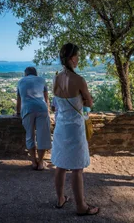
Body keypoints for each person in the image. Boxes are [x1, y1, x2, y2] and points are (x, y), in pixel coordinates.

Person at [51, 43, 99, 216]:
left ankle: (60, 199)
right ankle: (81, 206)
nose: (78, 59)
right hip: (75, 128)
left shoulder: (56, 78)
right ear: (72, 58)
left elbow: (55, 103)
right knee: (77, 168)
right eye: (77, 56)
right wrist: (87, 100)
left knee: (60, 165)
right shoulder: (79, 80)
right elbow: (89, 103)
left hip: (61, 127)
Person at [16, 67, 51, 171]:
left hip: (27, 109)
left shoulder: (20, 81)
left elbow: (19, 99)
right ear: (35, 74)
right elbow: (46, 98)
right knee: (42, 136)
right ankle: (40, 162)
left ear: (25, 74)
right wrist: (48, 111)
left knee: (29, 135)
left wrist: (18, 112)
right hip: (42, 108)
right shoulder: (42, 80)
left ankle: (33, 162)